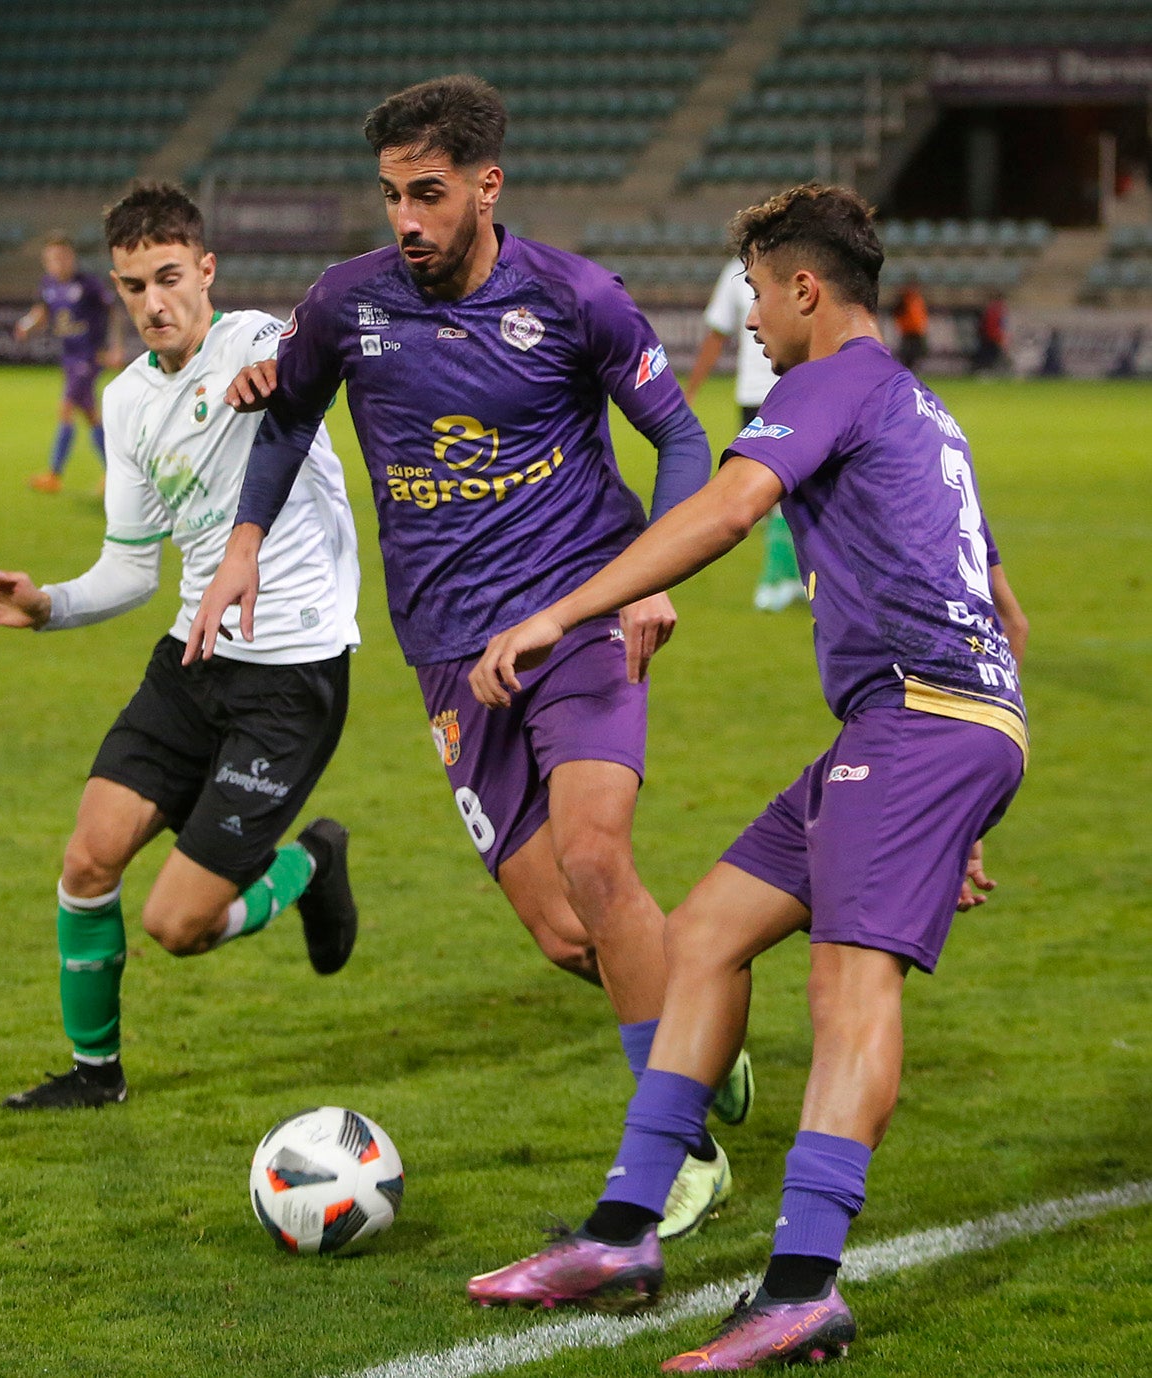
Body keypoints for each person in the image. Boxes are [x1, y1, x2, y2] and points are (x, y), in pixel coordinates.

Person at [466, 184, 1029, 1371]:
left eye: (761, 295)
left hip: (916, 719)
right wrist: (967, 800)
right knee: (711, 931)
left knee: (848, 988)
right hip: (928, 721)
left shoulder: (824, 382)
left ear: (805, 289)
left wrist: (565, 609)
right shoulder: (923, 408)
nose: (756, 321)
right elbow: (1005, 614)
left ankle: (804, 1286)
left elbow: (729, 510)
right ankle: (625, 1232)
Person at [187, 74, 753, 1237]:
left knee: (600, 860)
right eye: (392, 193)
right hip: (447, 649)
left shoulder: (576, 297)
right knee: (561, 931)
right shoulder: (348, 304)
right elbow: (290, 413)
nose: (406, 218)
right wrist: (241, 547)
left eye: (429, 194)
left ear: (487, 186)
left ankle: (678, 1141)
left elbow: (683, 436)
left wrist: (649, 580)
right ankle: (694, 1022)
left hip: (580, 614)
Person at [0, 184, 361, 1110]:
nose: (154, 303)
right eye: (134, 286)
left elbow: (306, 359)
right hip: (189, 663)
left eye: (170, 278)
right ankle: (95, 1076)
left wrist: (282, 372)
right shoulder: (129, 401)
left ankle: (307, 867)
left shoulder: (259, 344)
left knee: (177, 924)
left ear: (206, 270)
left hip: (290, 677)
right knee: (88, 859)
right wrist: (44, 604)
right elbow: (130, 570)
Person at [685, 256, 803, 613]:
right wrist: (690, 391)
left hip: (797, 387)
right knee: (772, 496)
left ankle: (783, 580)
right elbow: (717, 332)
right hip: (754, 393)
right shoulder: (736, 272)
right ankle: (784, 578)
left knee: (790, 491)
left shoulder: (797, 263)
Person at [15, 233, 124, 493]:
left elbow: (113, 311)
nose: (58, 262)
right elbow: (41, 313)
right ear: (46, 261)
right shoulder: (48, 285)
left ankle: (53, 474)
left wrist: (116, 347)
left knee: (65, 408)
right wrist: (27, 325)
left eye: (62, 257)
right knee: (91, 417)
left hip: (88, 357)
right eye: (53, 258)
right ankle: (117, 473)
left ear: (72, 258)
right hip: (70, 357)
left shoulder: (88, 285)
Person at [890, 276, 928, 372]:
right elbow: (896, 313)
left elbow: (922, 315)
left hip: (918, 331)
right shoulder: (903, 300)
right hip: (908, 331)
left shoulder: (918, 299)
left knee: (919, 352)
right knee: (908, 353)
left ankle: (911, 369)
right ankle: (906, 370)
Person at [973, 291, 1008, 373]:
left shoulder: (992, 309)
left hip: (988, 336)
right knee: (990, 355)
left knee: (987, 355)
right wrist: (999, 337)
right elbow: (995, 325)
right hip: (992, 337)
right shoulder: (997, 309)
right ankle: (985, 370)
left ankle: (984, 370)